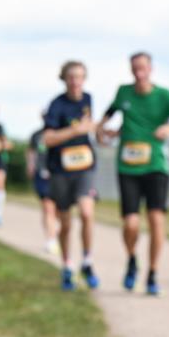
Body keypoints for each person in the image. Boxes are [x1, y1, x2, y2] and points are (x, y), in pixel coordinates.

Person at [97, 52, 169, 296]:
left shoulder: (164, 96)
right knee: (131, 223)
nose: (139, 73)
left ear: (151, 69)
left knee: (156, 220)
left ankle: (152, 273)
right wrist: (105, 133)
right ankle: (132, 259)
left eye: (143, 68)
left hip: (156, 166)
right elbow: (105, 119)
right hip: (128, 167)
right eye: (134, 69)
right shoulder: (123, 93)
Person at [43, 60, 100, 291]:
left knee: (87, 212)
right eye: (71, 77)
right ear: (64, 79)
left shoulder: (88, 99)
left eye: (79, 77)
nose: (76, 82)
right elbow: (47, 139)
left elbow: (90, 127)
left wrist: (100, 132)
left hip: (85, 167)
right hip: (60, 169)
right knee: (65, 223)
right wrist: (74, 131)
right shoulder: (57, 105)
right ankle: (67, 266)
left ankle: (87, 262)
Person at [27, 110, 59, 255]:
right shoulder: (36, 135)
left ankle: (54, 230)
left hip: (58, 174)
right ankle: (51, 239)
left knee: (57, 209)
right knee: (47, 206)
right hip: (42, 173)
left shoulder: (60, 133)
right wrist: (30, 165)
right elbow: (31, 151)